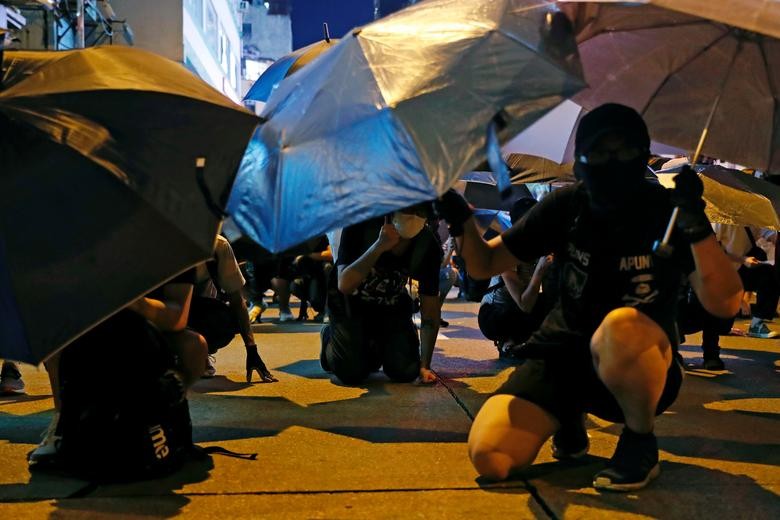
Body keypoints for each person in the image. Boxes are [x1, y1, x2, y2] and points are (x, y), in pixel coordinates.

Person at [435, 103, 743, 491]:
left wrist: (695, 224)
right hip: (563, 354)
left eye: (624, 151)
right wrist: (459, 216)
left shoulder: (668, 212)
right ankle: (569, 416)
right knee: (491, 457)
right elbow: (487, 263)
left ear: (642, 153)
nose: (610, 163)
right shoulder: (567, 206)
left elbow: (725, 303)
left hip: (637, 360)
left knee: (619, 326)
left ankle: (639, 441)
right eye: (597, 152)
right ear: (580, 161)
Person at [321, 203, 442, 385]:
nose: (414, 216)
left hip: (391, 305)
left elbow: (430, 314)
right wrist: (379, 246)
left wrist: (425, 365)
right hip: (349, 305)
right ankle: (330, 337)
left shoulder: (427, 245)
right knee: (351, 374)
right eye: (408, 209)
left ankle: (374, 346)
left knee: (406, 371)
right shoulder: (360, 223)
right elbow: (345, 284)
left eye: (421, 211)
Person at [192, 235, 276, 382]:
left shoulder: (218, 245)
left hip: (199, 306)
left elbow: (237, 301)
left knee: (223, 321)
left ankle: (200, 351)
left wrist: (252, 350)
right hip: (162, 306)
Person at [478, 198, 555, 356]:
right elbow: (524, 304)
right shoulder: (507, 250)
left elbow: (547, 296)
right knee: (520, 310)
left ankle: (526, 341)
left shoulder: (542, 247)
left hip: (518, 308)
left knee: (551, 302)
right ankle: (509, 342)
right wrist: (540, 270)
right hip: (494, 315)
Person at [714, 224, 779, 338]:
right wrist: (742, 259)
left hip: (743, 268)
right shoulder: (720, 220)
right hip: (722, 273)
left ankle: (756, 324)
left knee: (770, 273)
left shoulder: (753, 214)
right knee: (721, 327)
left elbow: (769, 233)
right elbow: (711, 250)